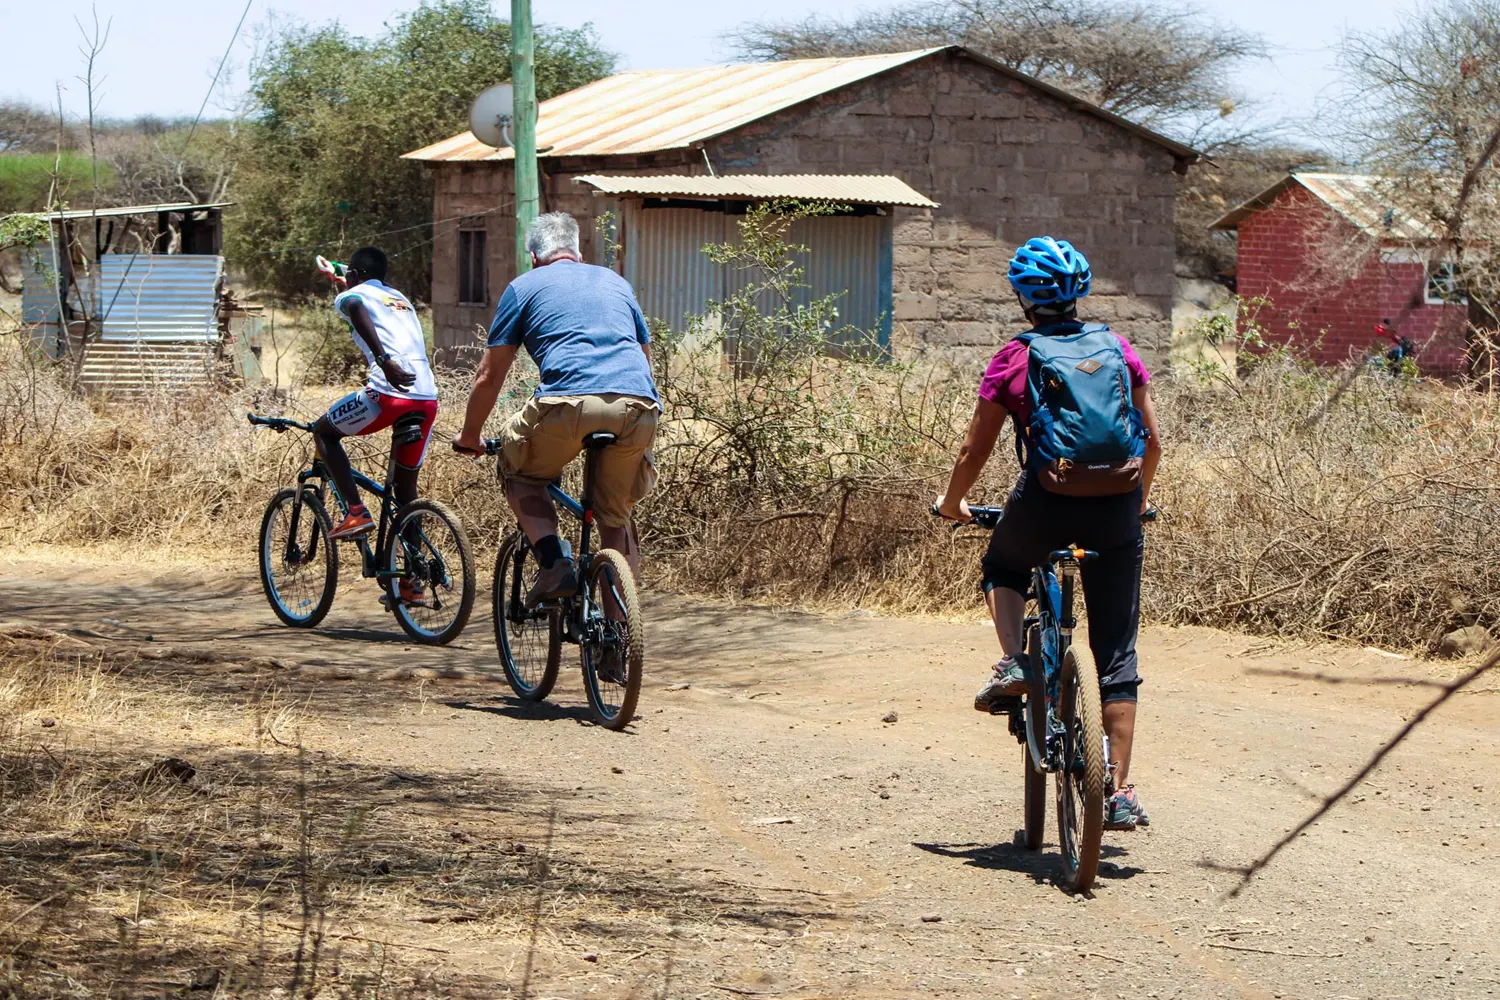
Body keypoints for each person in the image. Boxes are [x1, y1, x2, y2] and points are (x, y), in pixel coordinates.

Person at [934, 236, 1163, 831]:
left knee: (1004, 565)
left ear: (1023, 297)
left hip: (1047, 502)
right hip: (1115, 509)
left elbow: (974, 445)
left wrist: (954, 502)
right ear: (1079, 292)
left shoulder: (1016, 357)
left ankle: (1014, 663)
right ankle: (1118, 791)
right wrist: (1134, 505)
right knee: (1117, 653)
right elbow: (1152, 442)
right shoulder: (1118, 348)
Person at [451, 212, 658, 611]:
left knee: (523, 476)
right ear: (579, 253)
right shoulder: (616, 282)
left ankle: (553, 564)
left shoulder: (523, 287)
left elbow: (489, 377)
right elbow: (646, 361)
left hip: (567, 403)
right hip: (638, 406)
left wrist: (470, 436)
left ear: (533, 257)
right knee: (614, 519)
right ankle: (618, 640)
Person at [311, 246, 440, 604]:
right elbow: (365, 283)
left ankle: (355, 511)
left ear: (353, 277)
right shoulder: (397, 297)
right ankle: (413, 583)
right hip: (426, 398)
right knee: (405, 491)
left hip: (388, 393)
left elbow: (354, 303)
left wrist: (383, 361)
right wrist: (339, 269)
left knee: (323, 432)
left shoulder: (351, 296)